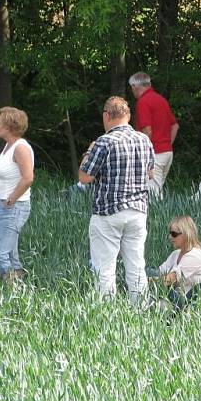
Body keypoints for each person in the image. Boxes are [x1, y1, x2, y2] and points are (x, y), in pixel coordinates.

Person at [79, 96, 155, 302]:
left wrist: (88, 152)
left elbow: (84, 177)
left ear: (106, 115)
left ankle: (107, 310)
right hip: (138, 211)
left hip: (108, 212)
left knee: (104, 267)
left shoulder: (103, 142)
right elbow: (150, 173)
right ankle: (140, 307)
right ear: (128, 116)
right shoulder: (144, 140)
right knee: (137, 264)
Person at [128, 72, 179, 198]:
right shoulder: (161, 100)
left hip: (155, 155)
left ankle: (156, 218)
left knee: (152, 197)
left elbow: (147, 131)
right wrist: (167, 144)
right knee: (156, 192)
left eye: (131, 87)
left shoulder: (143, 102)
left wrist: (143, 153)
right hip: (167, 153)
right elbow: (175, 126)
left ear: (135, 86)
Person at [0, 107, 34, 281]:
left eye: (0, 121)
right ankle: (20, 281)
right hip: (4, 204)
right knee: (10, 251)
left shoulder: (21, 148)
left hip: (15, 206)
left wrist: (12, 198)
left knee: (1, 252)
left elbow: (28, 178)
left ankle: (10, 292)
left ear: (9, 125)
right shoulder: (8, 146)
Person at [155, 216, 201, 293]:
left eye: (174, 234)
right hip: (176, 297)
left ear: (186, 234)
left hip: (189, 301)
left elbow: (169, 280)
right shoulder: (176, 254)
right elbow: (160, 272)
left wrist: (141, 280)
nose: (170, 237)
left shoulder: (195, 256)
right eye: (170, 233)